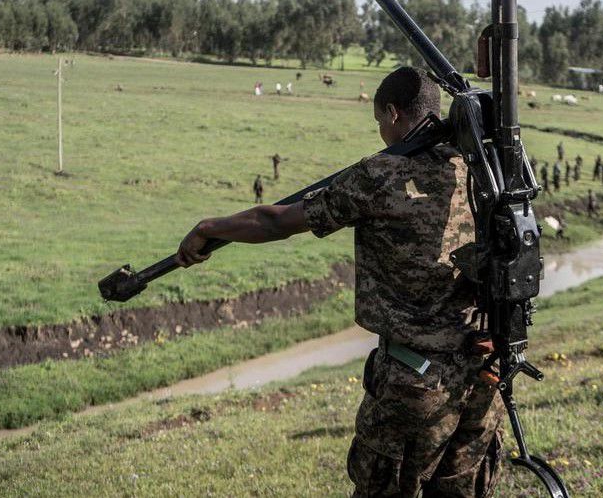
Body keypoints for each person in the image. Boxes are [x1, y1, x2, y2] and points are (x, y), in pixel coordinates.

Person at [175, 67, 504, 496]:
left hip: (414, 383)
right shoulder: (481, 170)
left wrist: (208, 227)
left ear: (393, 113)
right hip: (485, 373)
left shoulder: (382, 176)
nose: (382, 132)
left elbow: (274, 221)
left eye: (380, 123)